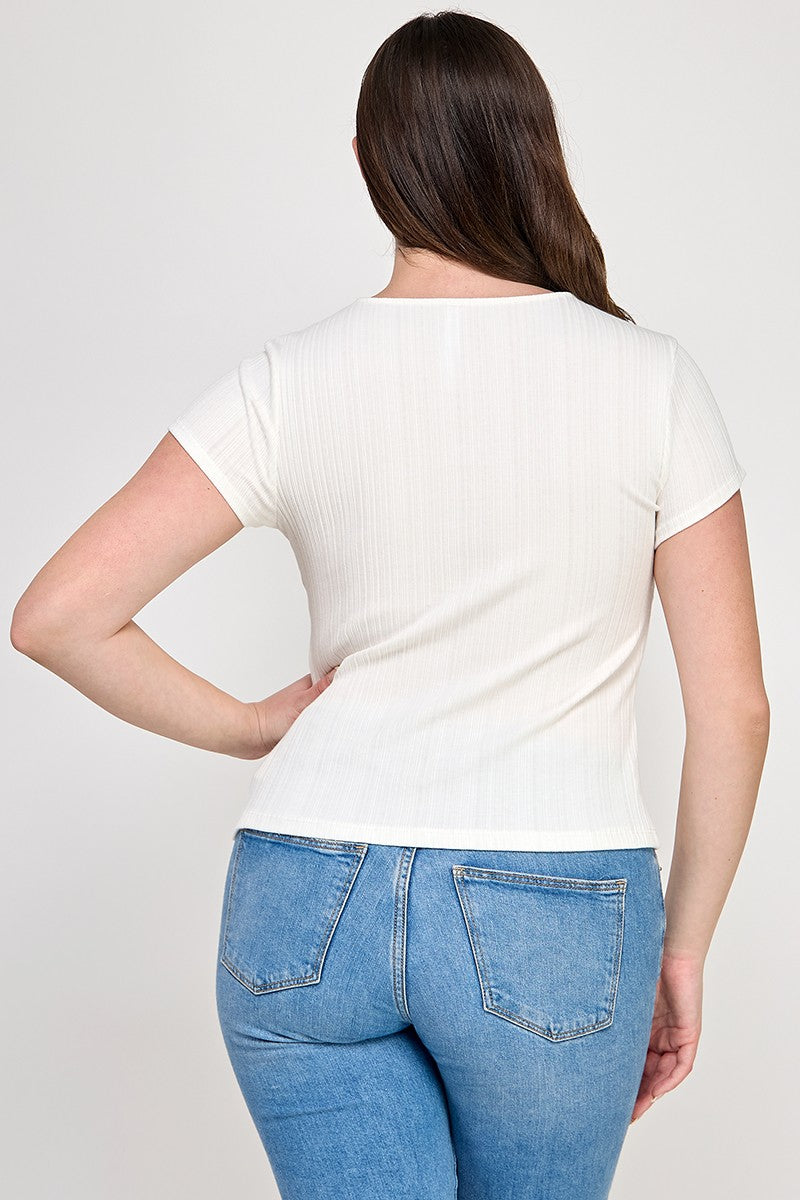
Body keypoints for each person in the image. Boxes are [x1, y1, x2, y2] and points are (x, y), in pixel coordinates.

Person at [10, 11, 769, 1200]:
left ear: (372, 164)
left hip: (305, 898)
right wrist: (682, 949)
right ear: (531, 153)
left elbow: (57, 615)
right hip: (555, 908)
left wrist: (251, 728)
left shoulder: (289, 378)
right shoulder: (649, 380)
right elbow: (735, 711)